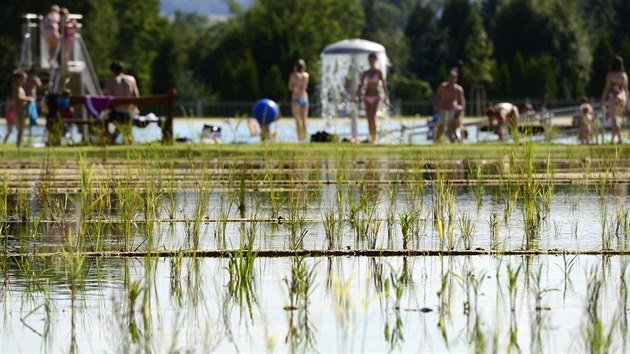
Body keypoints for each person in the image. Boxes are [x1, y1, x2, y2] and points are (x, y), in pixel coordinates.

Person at [356, 53, 389, 142]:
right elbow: (361, 85)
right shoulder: (366, 72)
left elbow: (384, 85)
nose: (371, 62)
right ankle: (371, 136)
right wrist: (357, 95)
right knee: (368, 118)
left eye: (372, 60)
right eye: (370, 60)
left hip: (376, 96)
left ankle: (374, 137)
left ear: (375, 60)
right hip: (367, 96)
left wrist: (386, 98)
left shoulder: (378, 72)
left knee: (372, 116)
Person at [600, 56, 628, 144]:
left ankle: (619, 139)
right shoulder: (624, 75)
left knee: (614, 120)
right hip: (622, 98)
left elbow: (606, 89)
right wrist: (627, 102)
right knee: (616, 120)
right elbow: (626, 90)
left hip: (613, 98)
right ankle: (612, 140)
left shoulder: (610, 75)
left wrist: (602, 100)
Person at [434, 70, 465, 141]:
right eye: (450, 77)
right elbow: (437, 97)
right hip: (442, 109)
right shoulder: (443, 86)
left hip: (453, 110)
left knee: (452, 128)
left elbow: (461, 102)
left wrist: (460, 111)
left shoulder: (458, 89)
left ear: (456, 79)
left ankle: (455, 142)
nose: (451, 79)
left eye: (453, 78)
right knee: (440, 127)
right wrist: (437, 106)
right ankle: (437, 141)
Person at [288, 59, 309, 142]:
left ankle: (300, 138)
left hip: (296, 98)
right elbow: (305, 87)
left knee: (297, 120)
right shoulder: (306, 75)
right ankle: (305, 138)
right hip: (304, 98)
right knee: (304, 120)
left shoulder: (293, 76)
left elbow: (290, 87)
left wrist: (295, 86)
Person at [12, 70, 34, 147]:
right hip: (19, 111)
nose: (24, 81)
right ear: (18, 79)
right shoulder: (17, 87)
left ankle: (20, 143)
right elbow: (19, 98)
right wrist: (28, 98)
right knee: (21, 128)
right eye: (23, 79)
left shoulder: (20, 87)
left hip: (22, 110)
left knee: (22, 128)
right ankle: (18, 145)